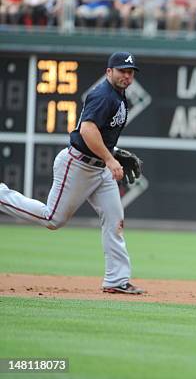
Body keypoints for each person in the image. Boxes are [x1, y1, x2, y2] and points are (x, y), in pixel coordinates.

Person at [0, 52, 145, 295]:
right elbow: (87, 130)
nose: (127, 76)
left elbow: (101, 132)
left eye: (130, 72)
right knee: (53, 219)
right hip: (79, 165)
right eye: (122, 71)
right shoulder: (103, 95)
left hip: (99, 169)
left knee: (114, 219)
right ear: (109, 71)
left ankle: (116, 280)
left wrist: (114, 152)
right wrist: (111, 159)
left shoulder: (119, 96)